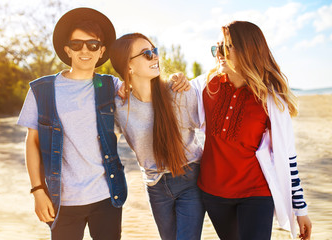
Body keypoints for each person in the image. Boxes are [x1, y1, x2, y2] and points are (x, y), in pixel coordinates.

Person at [188, 21, 312, 240]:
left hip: (256, 193)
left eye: (226, 47)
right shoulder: (207, 85)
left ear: (248, 50)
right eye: (216, 48)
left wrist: (300, 210)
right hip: (214, 194)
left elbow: (287, 156)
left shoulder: (270, 99)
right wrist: (175, 79)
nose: (219, 54)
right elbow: (173, 102)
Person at [17, 8, 128, 240]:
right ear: (67, 50)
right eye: (76, 44)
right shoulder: (41, 90)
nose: (84, 50)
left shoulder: (111, 86)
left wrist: (176, 79)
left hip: (107, 195)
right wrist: (37, 190)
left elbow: (144, 89)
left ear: (102, 51)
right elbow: (32, 142)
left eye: (92, 44)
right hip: (63, 200)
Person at [109, 33, 205, 240]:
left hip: (190, 178)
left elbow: (209, 125)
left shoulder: (180, 92)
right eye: (146, 54)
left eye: (155, 51)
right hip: (155, 186)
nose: (155, 57)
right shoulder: (119, 106)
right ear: (129, 66)